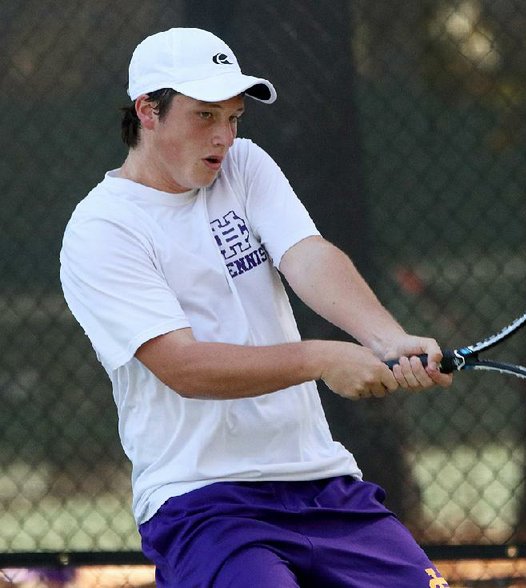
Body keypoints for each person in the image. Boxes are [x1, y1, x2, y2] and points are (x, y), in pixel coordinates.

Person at [59, 27, 452, 587]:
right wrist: (319, 358)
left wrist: (387, 338)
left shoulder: (244, 166)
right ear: (148, 111)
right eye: (204, 116)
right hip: (203, 503)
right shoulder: (102, 229)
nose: (224, 136)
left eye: (234, 118)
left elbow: (307, 255)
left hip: (325, 485)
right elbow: (183, 368)